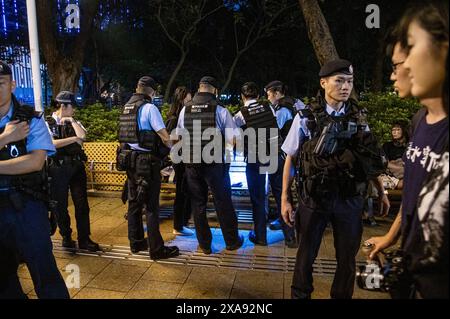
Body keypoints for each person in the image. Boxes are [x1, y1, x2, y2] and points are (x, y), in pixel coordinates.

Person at [281, 59, 390, 299]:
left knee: (347, 259)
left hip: (350, 199)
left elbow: (369, 159)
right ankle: (300, 295)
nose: (345, 87)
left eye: (349, 81)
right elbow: (291, 159)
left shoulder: (359, 117)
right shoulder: (306, 117)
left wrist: (380, 191)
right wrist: (284, 199)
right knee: (305, 255)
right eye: (339, 81)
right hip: (314, 199)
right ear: (323, 83)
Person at [366, 1, 448, 298]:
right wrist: (391, 237)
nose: (400, 70)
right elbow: (414, 193)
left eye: (412, 49)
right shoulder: (419, 121)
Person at [0, 60, 69, 298]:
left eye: (1, 83)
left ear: (12, 85)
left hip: (26, 206)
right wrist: (5, 138)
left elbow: (34, 162)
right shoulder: (14, 129)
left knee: (44, 272)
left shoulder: (31, 119)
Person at [176, 76, 243, 254]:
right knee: (223, 202)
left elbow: (181, 136)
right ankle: (232, 241)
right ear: (214, 90)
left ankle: (204, 245)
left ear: (200, 88)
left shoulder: (185, 110)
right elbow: (232, 139)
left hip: (192, 164)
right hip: (214, 164)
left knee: (198, 204)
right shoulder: (220, 110)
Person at [117, 75, 179, 260]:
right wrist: (175, 145)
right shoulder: (149, 108)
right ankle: (156, 249)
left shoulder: (126, 108)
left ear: (137, 88)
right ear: (152, 91)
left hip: (129, 161)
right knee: (151, 206)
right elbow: (164, 136)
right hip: (146, 162)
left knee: (134, 203)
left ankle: (136, 243)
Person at [234, 82, 296, 247]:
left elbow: (233, 135)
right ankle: (290, 237)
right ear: (258, 96)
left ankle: (260, 236)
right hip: (275, 156)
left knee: (258, 198)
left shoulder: (240, 114)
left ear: (242, 97)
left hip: (255, 159)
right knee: (282, 195)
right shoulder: (271, 108)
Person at [46, 91, 100, 252]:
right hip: (58, 168)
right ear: (63, 106)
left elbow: (82, 136)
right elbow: (51, 144)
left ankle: (84, 239)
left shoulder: (73, 121)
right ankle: (66, 237)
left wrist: (72, 121)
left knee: (82, 204)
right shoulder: (47, 122)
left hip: (76, 167)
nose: (74, 110)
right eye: (72, 107)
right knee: (60, 205)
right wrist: (72, 139)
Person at [264, 80, 297, 231]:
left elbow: (273, 133)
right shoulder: (294, 104)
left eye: (269, 94)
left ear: (277, 93)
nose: (268, 98)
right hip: (290, 155)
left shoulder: (282, 111)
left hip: (281, 156)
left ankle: (285, 222)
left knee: (280, 189)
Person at [166, 86, 194, 236]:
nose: (190, 103)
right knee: (182, 192)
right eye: (188, 100)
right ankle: (178, 225)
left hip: (185, 157)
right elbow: (169, 139)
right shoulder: (174, 118)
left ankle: (183, 222)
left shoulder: (182, 116)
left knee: (186, 191)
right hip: (180, 158)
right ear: (180, 100)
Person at [381, 121, 409, 190]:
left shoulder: (410, 146)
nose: (394, 132)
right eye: (393, 130)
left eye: (398, 130)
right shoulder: (387, 146)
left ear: (404, 131)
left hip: (405, 174)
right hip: (390, 175)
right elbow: (384, 163)